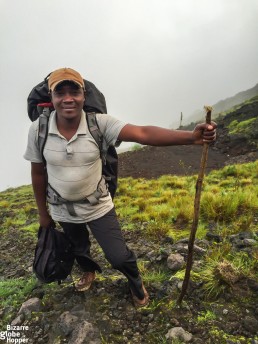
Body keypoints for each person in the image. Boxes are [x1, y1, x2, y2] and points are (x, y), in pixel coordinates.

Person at [24, 67, 216, 307]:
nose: (68, 98)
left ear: (84, 95)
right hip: (63, 209)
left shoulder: (99, 123)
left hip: (97, 206)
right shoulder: (39, 130)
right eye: (60, 92)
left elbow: (142, 133)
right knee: (78, 247)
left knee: (118, 256)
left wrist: (191, 137)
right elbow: (38, 172)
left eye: (74, 90)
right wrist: (44, 215)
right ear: (51, 98)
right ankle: (88, 271)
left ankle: (134, 280)